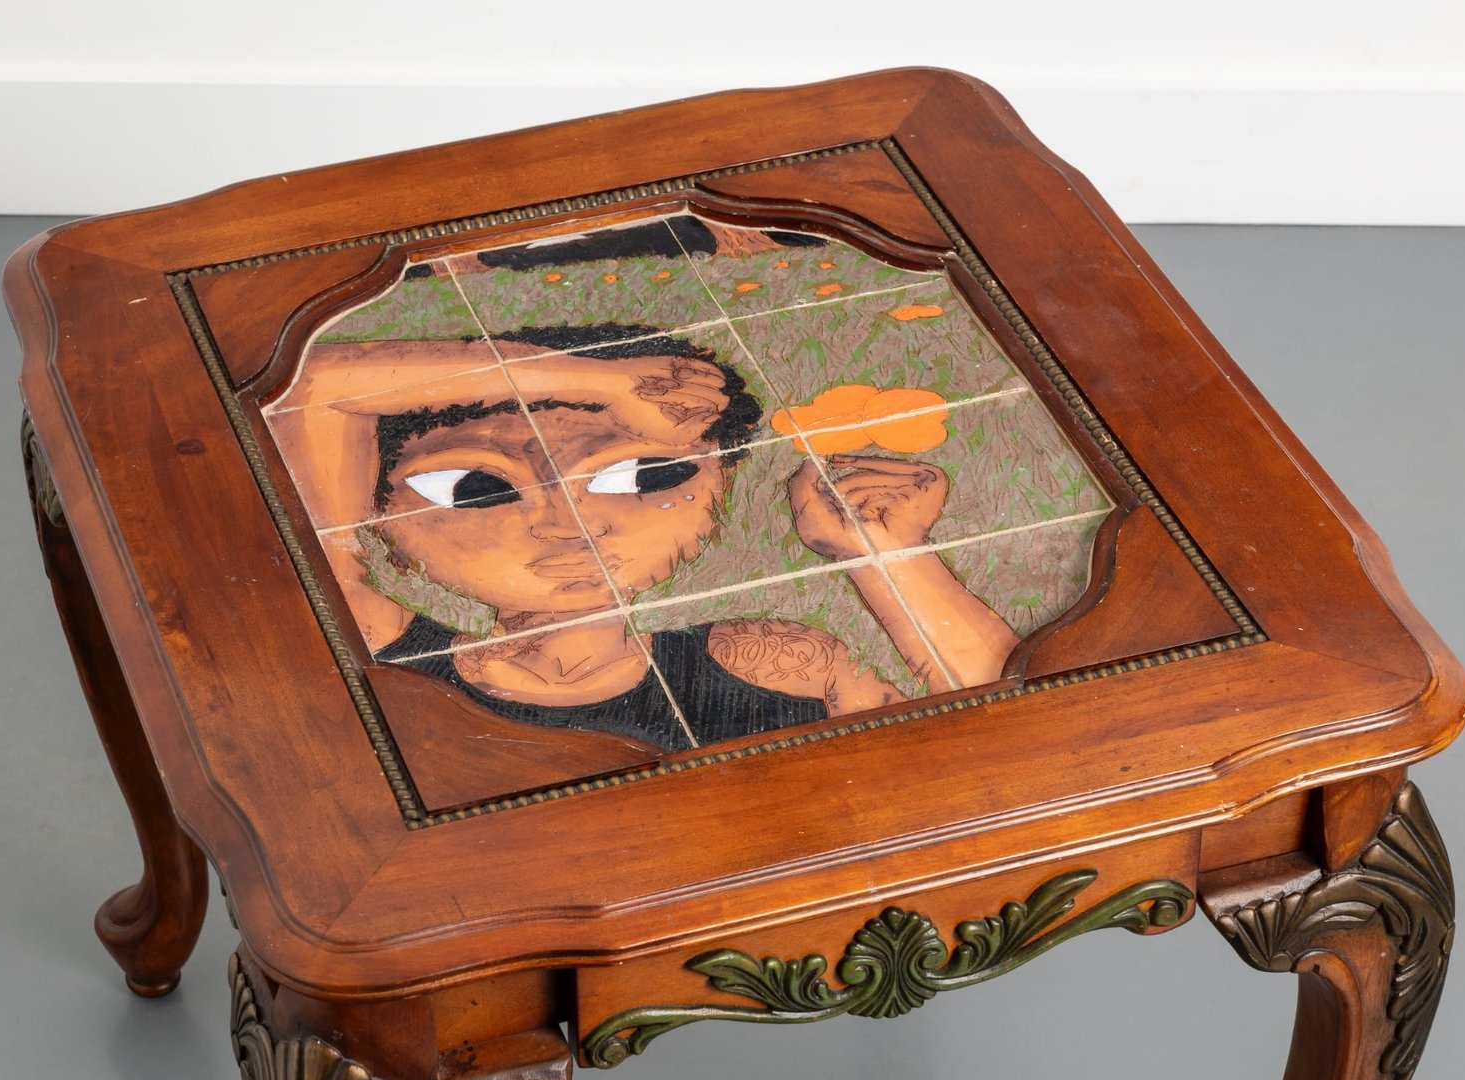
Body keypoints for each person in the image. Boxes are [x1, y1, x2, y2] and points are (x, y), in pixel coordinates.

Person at [273, 221, 1019, 751]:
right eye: (475, 489)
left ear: (718, 487)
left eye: (639, 475)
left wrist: (886, 554)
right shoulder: (377, 644)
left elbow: (1010, 740)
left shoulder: (771, 664)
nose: (567, 526)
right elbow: (311, 388)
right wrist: (595, 380)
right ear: (381, 520)